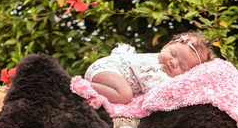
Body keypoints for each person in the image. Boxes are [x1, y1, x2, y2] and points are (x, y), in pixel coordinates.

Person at [84, 32, 215, 105]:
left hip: (110, 73)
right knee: (125, 95)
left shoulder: (165, 66)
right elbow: (156, 90)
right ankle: (84, 86)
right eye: (173, 54)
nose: (173, 62)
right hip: (108, 68)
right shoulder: (155, 66)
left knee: (124, 94)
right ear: (166, 45)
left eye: (182, 66)